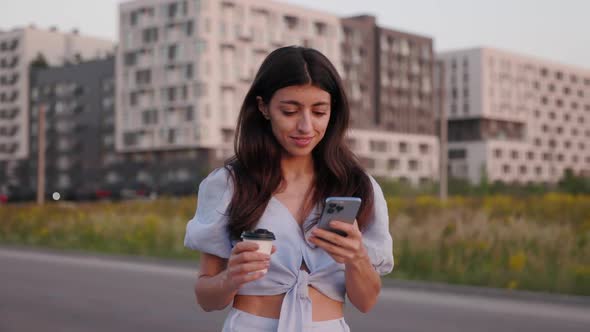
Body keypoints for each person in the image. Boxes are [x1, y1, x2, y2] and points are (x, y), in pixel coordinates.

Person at [184, 46, 393, 332]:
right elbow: (207, 298)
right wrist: (231, 278)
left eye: (319, 111)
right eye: (290, 111)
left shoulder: (358, 186)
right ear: (263, 107)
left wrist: (356, 257)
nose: (306, 126)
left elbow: (366, 302)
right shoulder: (229, 184)